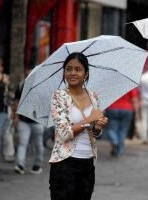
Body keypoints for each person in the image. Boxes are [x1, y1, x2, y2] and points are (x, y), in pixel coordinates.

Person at [49, 52, 108, 200]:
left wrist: (97, 127)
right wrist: (90, 119)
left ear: (86, 73)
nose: (72, 73)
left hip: (87, 163)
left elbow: (93, 132)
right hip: (64, 164)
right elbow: (63, 133)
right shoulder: (59, 96)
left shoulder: (93, 96)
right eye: (68, 69)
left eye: (78, 69)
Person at [13, 68, 45, 175]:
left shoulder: (42, 86)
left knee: (38, 144)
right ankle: (20, 164)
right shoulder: (22, 85)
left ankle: (37, 164)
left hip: (37, 121)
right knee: (23, 142)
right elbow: (17, 100)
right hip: (24, 119)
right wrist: (16, 116)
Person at [104, 88, 140, 157]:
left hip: (112, 108)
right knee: (123, 130)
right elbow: (134, 100)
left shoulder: (111, 85)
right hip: (127, 109)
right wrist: (137, 114)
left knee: (111, 128)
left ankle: (114, 141)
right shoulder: (130, 85)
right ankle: (119, 151)